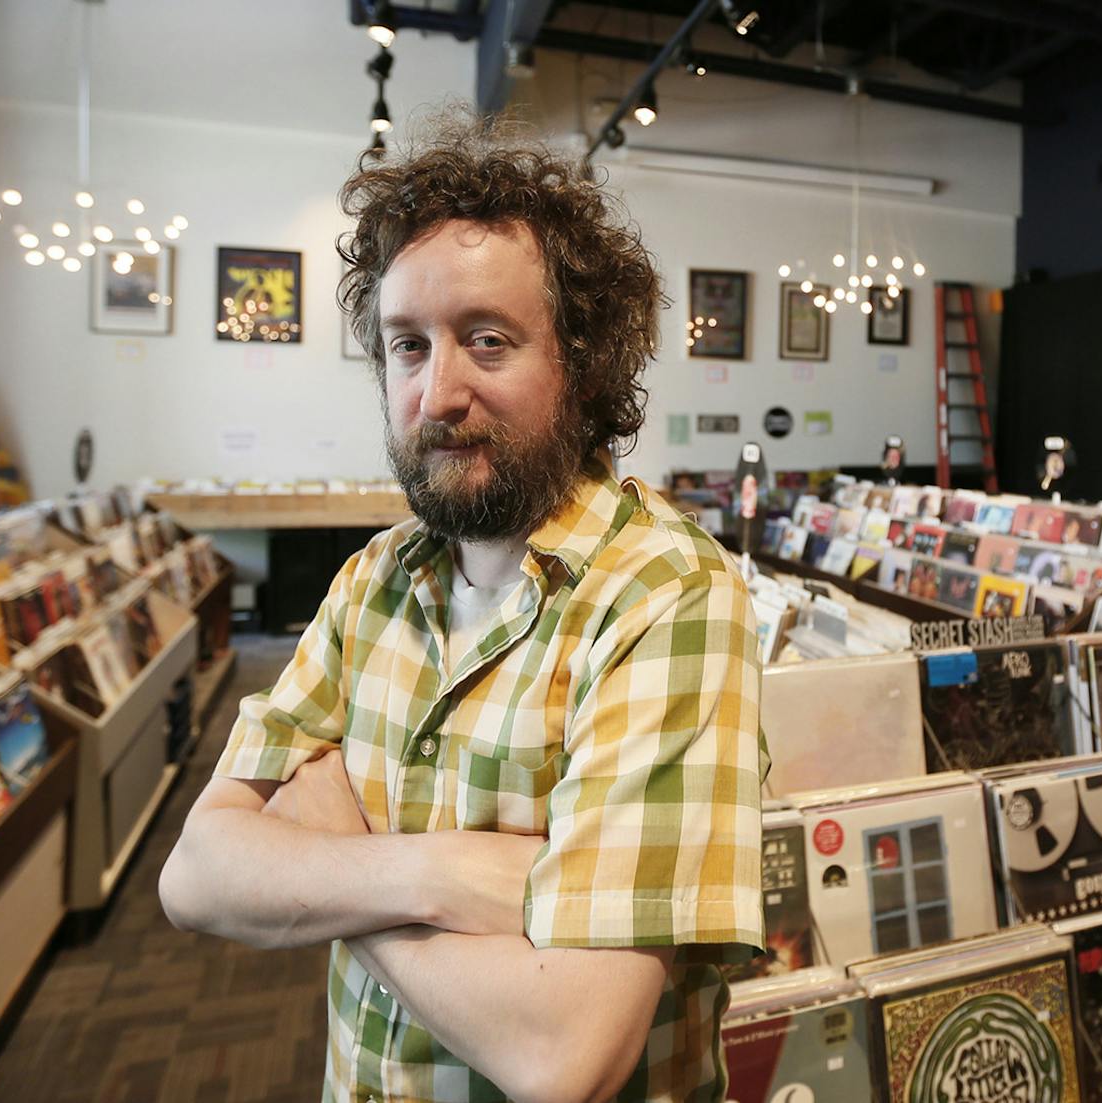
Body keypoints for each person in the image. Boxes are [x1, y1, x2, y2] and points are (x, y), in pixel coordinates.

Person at [158, 118, 766, 1103]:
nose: (437, 391)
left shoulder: (666, 594)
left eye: (487, 340)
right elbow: (194, 874)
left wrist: (329, 851)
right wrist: (433, 874)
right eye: (407, 345)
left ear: (585, 360)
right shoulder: (373, 582)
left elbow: (564, 1050)